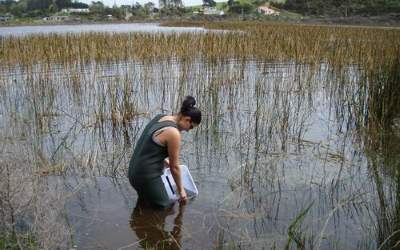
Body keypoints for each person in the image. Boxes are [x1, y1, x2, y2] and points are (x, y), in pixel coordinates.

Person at [128, 96, 201, 209]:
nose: (187, 130)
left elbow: (151, 150)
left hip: (133, 172)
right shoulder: (174, 133)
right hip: (145, 176)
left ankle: (138, 222)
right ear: (187, 119)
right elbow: (174, 167)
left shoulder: (161, 117)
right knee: (166, 207)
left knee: (145, 203)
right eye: (190, 127)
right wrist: (181, 191)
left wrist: (166, 163)